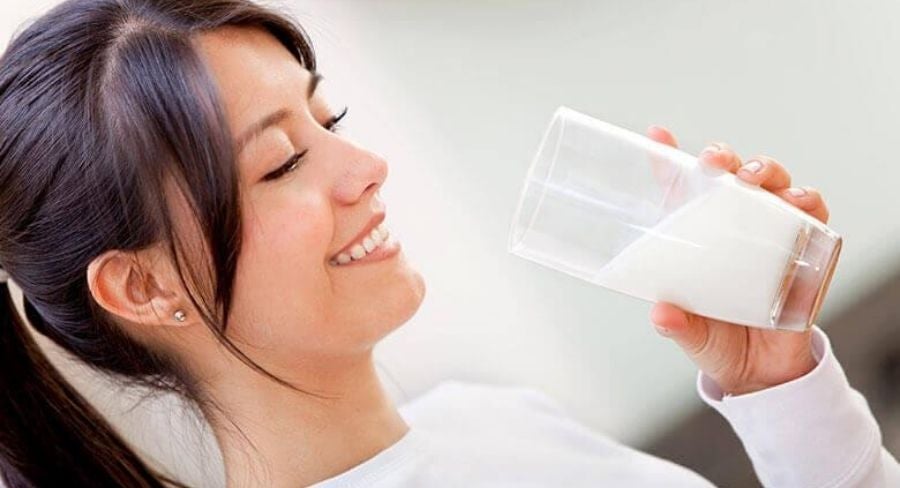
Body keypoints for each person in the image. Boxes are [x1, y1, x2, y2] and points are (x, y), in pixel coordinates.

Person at [0, 0, 893, 487]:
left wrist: (775, 386)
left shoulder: (487, 421)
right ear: (143, 288)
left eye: (330, 118)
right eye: (279, 163)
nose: (367, 168)